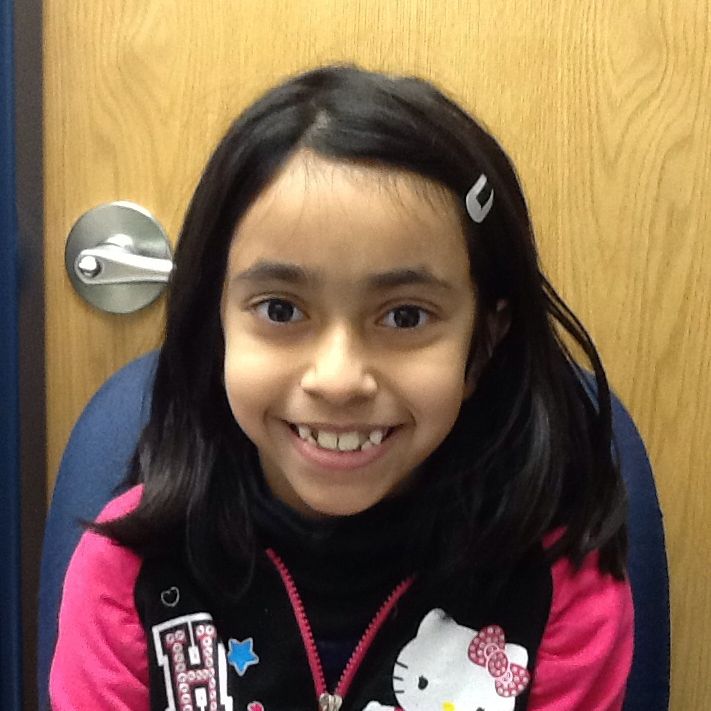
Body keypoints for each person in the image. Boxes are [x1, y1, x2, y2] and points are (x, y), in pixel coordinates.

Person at [50, 65, 633, 711]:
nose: (337, 379)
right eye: (279, 309)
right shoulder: (127, 577)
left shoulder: (558, 590)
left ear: (483, 346)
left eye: (404, 316)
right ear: (215, 327)